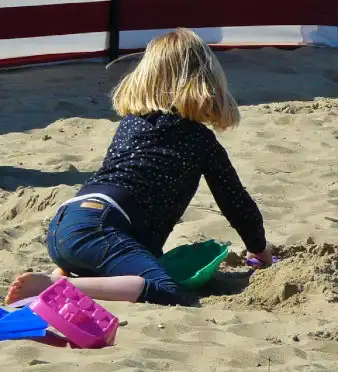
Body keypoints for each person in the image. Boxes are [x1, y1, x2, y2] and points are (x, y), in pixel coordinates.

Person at [4, 28, 272, 306]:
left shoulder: (131, 124)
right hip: (99, 229)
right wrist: (259, 249)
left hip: (65, 225)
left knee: (122, 259)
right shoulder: (200, 140)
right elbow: (235, 201)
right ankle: (59, 284)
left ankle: (69, 270)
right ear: (207, 82)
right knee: (165, 289)